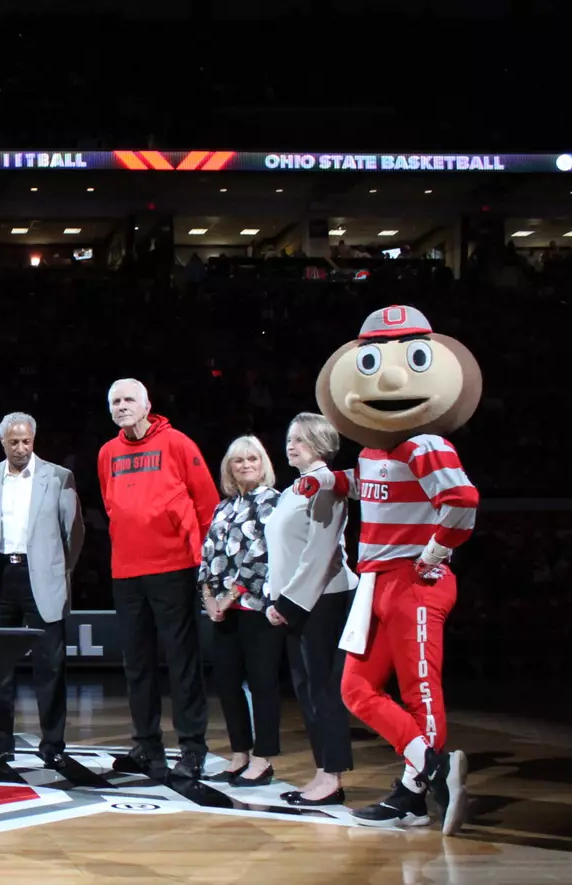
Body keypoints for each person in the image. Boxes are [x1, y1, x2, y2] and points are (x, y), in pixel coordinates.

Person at [301, 305, 482, 834]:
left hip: (413, 581)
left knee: (420, 689)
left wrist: (437, 551)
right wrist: (331, 482)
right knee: (355, 690)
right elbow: (370, 490)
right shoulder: (373, 449)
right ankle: (431, 768)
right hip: (375, 580)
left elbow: (462, 499)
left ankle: (415, 787)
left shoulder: (425, 443)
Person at [97, 379, 221, 781]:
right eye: (115, 401)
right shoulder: (107, 453)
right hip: (127, 572)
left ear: (148, 404)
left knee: (182, 662)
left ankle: (192, 747)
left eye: (129, 399)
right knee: (137, 664)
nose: (121, 406)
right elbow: (111, 504)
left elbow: (207, 506)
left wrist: (207, 568)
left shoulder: (178, 444)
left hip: (174, 568)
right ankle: (147, 746)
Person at [0, 412, 87, 773]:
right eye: (14, 442)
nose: (21, 448)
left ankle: (53, 744)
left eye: (26, 441)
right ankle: (0, 745)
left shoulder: (57, 477)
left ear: (34, 440)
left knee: (50, 667)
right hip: (2, 577)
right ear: (3, 443)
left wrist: (59, 569)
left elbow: (74, 533)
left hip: (44, 577)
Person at [264, 412, 358, 807]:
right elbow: (282, 553)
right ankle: (322, 773)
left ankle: (332, 777)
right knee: (307, 691)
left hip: (324, 600)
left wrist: (287, 603)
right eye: (289, 437)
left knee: (324, 691)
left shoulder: (325, 486)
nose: (291, 445)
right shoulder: (293, 490)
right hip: (297, 602)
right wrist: (274, 596)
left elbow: (321, 554)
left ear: (320, 444)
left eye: (300, 439)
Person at [198, 436, 284, 787]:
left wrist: (228, 597)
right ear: (229, 468)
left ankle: (263, 759)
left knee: (262, 683)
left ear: (263, 463)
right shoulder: (224, 507)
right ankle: (239, 752)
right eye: (238, 461)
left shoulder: (274, 503)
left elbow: (261, 557)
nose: (246, 465)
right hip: (222, 611)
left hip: (257, 608)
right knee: (227, 682)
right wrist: (208, 598)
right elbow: (207, 556)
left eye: (253, 458)